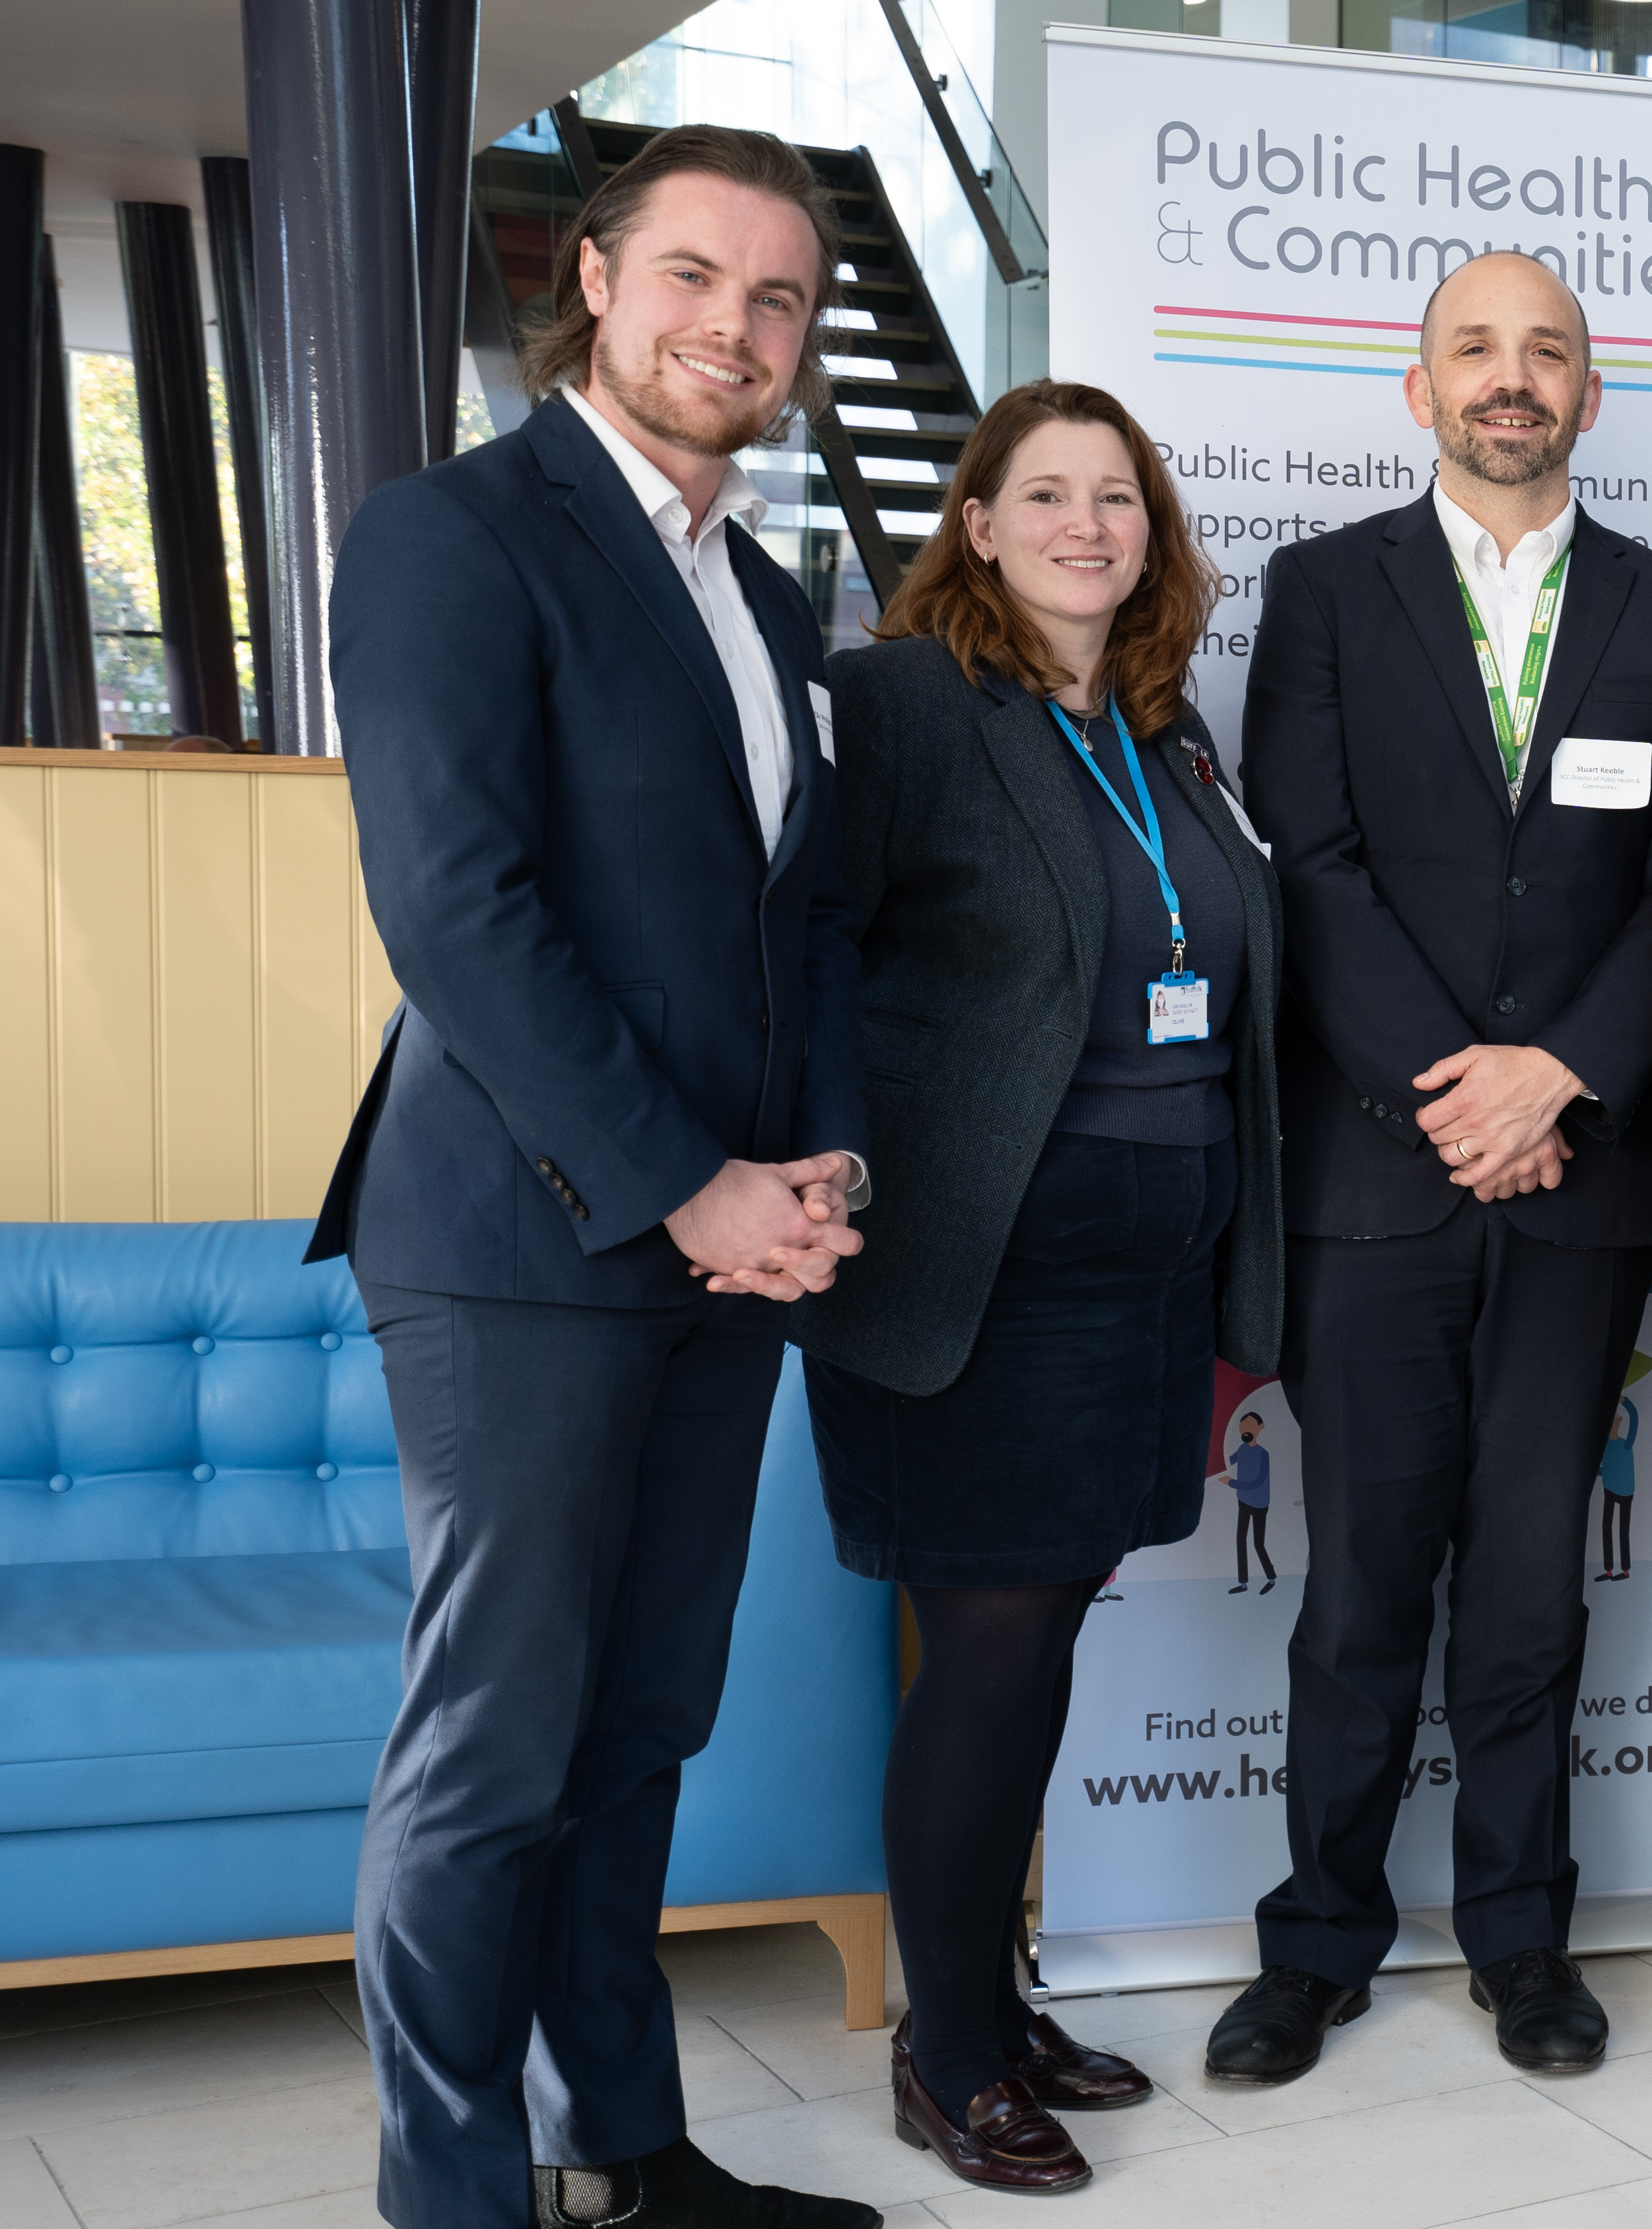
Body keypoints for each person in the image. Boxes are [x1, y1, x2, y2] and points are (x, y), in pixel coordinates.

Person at [311, 125, 878, 2229]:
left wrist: (810, 1164)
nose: (733, 327)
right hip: (521, 1239)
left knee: (642, 1719)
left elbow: (801, 912)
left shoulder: (767, 586)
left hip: (724, 1245)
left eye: (777, 300)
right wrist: (682, 1184)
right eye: (696, 279)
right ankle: (450, 2196)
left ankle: (622, 2153)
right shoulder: (454, 532)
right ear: (597, 282)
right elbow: (458, 907)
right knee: (496, 1746)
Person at [1216, 250, 1652, 2086]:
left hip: (1580, 1183)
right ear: (1419, 387)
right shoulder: (1323, 590)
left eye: (1549, 353)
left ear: (1591, 396)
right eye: (1476, 350)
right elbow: (1310, 856)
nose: (1512, 380)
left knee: (1531, 1589)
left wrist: (1563, 1078)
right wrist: (1461, 1093)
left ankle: (1526, 1939)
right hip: (1378, 1178)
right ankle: (1317, 1947)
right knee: (1359, 1590)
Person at [789, 378, 1277, 2188]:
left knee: (1045, 1638)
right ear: (977, 526)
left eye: (1120, 497)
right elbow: (813, 945)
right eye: (1046, 494)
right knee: (988, 1649)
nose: (1089, 523)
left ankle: (987, 1995)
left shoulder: (1166, 730)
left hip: (1154, 1256)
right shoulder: (904, 700)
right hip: (975, 1259)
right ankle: (950, 2051)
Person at [1231, 1416, 1278, 1595]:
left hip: (1259, 1504)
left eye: (1249, 1426)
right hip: (1243, 1501)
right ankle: (1243, 1583)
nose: (1245, 1431)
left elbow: (1257, 1481)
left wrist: (1231, 1483)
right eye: (1242, 1428)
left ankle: (1271, 1579)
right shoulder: (1241, 1449)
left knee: (1258, 1543)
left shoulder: (1263, 1454)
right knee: (1240, 1539)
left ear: (1260, 1427)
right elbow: (1230, 1460)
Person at [1597, 1396, 1640, 1581]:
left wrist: (1624, 1401)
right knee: (1606, 1526)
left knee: (1623, 1530)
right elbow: (1605, 1469)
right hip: (1610, 1488)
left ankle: (1625, 1570)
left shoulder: (1626, 1443)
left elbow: (1635, 1418)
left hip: (1625, 1492)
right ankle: (1608, 1570)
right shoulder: (1607, 1445)